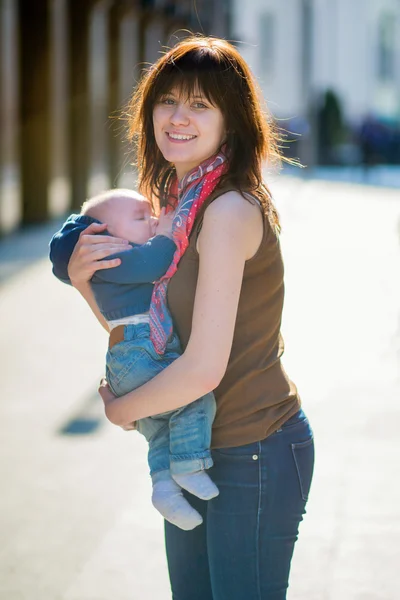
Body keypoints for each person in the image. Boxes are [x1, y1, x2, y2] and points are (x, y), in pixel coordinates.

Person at [59, 36, 315, 600]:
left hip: (254, 449)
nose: (178, 117)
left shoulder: (225, 210)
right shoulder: (174, 205)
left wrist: (121, 409)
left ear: (232, 120)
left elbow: (201, 370)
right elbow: (157, 338)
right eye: (167, 100)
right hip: (194, 449)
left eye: (201, 104)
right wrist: (85, 284)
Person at [49, 188, 219, 531]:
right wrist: (171, 229)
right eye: (141, 217)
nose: (154, 219)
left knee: (158, 427)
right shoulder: (115, 259)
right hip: (140, 349)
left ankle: (165, 488)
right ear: (105, 237)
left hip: (130, 353)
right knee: (191, 397)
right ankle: (188, 464)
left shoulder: (110, 263)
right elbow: (157, 261)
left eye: (152, 215)